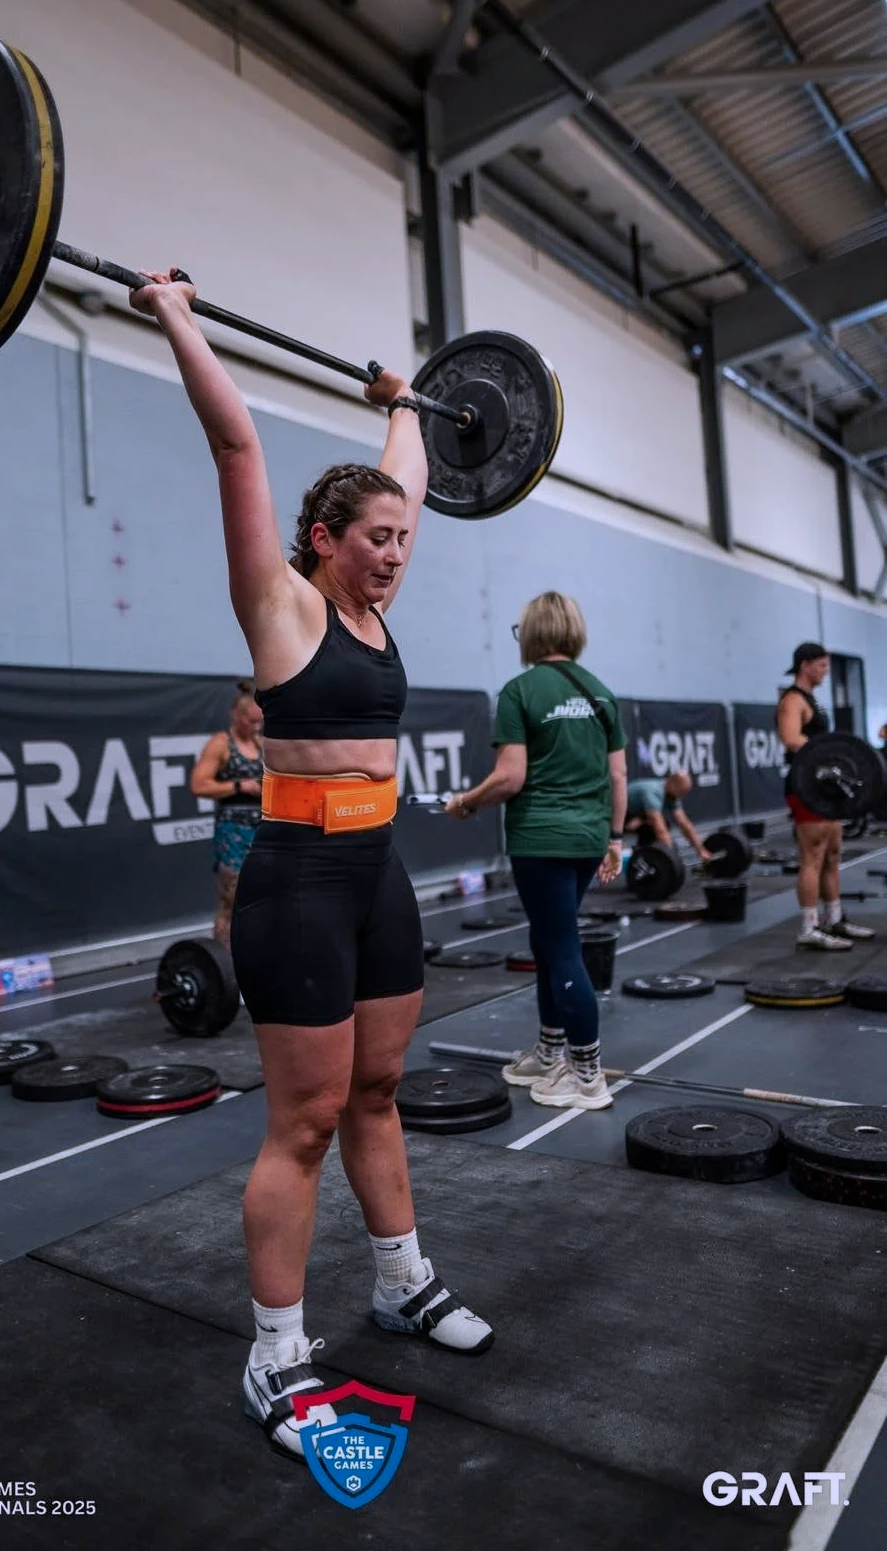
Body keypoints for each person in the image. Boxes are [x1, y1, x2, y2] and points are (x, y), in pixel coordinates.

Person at [130, 267, 492, 1464]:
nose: (393, 555)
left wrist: (404, 400)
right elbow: (236, 446)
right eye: (372, 540)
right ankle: (274, 1354)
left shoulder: (383, 581)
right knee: (306, 1118)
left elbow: (415, 470)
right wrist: (177, 316)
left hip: (378, 876)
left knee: (379, 1094)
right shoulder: (281, 607)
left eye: (401, 540)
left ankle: (400, 1281)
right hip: (291, 881)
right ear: (323, 540)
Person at [445, 592, 627, 1111]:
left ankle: (587, 1074)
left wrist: (466, 803)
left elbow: (510, 777)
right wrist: (615, 838)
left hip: (541, 839)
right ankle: (550, 1053)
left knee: (561, 945)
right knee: (549, 940)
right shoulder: (602, 694)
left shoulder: (520, 690)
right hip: (589, 838)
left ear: (531, 633)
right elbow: (618, 775)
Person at [777, 641, 874, 951]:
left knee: (833, 854)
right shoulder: (792, 700)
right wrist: (827, 755)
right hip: (805, 787)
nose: (825, 671)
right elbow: (791, 738)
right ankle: (809, 927)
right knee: (813, 856)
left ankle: (834, 919)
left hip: (824, 789)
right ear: (805, 665)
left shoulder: (813, 700)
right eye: (821, 665)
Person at [190, 680, 263, 950]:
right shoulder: (221, 744)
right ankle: (225, 967)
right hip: (233, 834)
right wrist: (238, 786)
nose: (255, 728)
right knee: (232, 901)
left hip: (263, 833)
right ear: (236, 715)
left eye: (259, 722)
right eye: (250, 721)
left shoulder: (261, 744)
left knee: (263, 898)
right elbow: (199, 785)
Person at [624, 771, 713, 863]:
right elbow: (659, 829)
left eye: (684, 793)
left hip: (635, 814)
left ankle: (643, 858)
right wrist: (671, 857)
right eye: (682, 792)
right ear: (673, 784)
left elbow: (684, 824)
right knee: (657, 827)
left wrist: (701, 850)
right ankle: (640, 859)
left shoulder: (672, 794)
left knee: (660, 826)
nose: (682, 796)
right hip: (617, 814)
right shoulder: (654, 792)